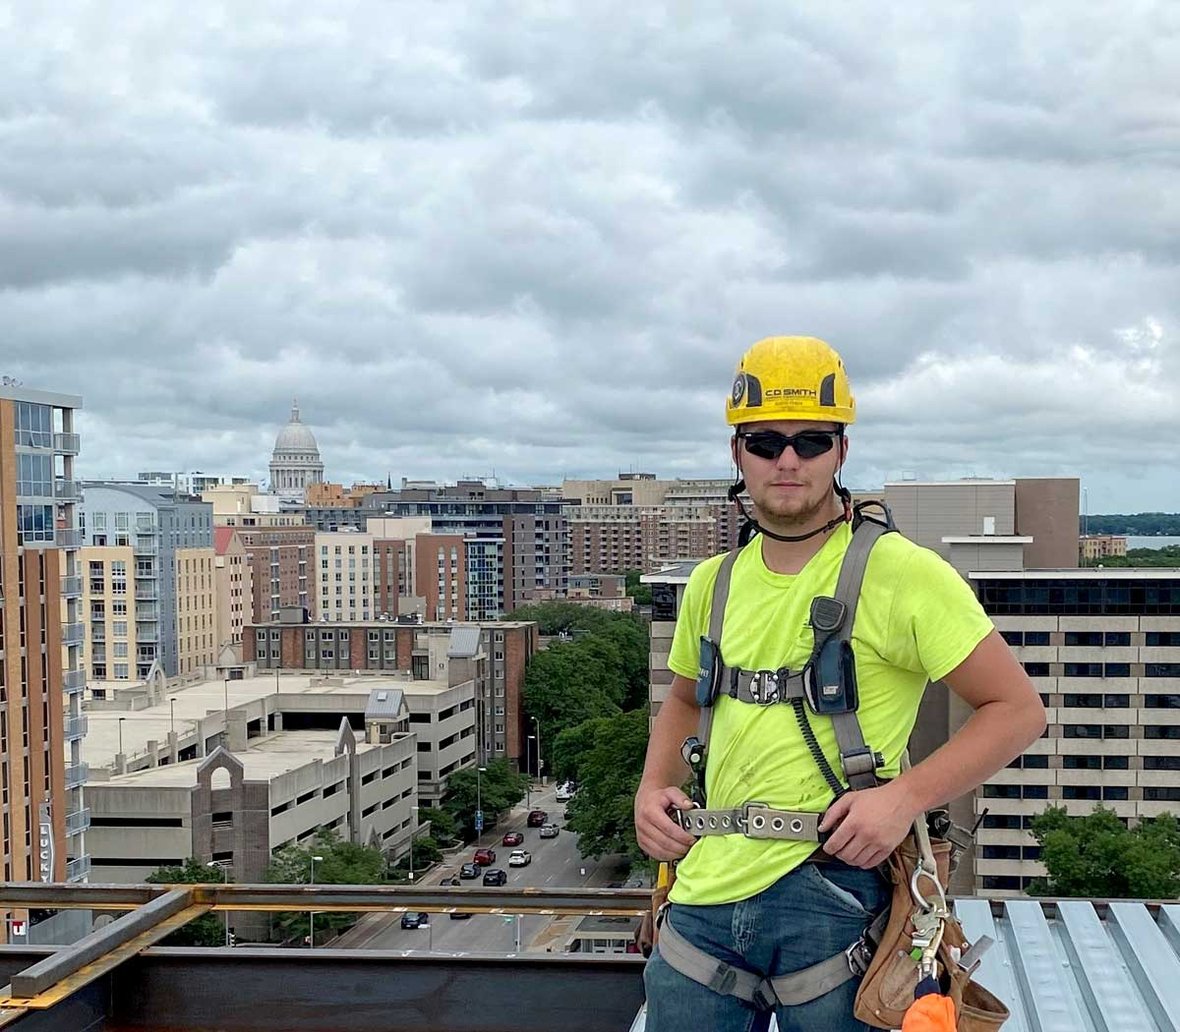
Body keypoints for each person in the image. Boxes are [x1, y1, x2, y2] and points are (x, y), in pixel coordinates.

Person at [635, 336, 1046, 1032]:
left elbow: (1015, 711)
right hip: (703, 891)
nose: (787, 459)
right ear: (737, 454)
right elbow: (683, 698)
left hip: (835, 892)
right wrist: (651, 789)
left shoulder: (901, 574)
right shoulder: (714, 583)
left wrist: (901, 800)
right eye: (764, 442)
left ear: (841, 452)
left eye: (811, 441)